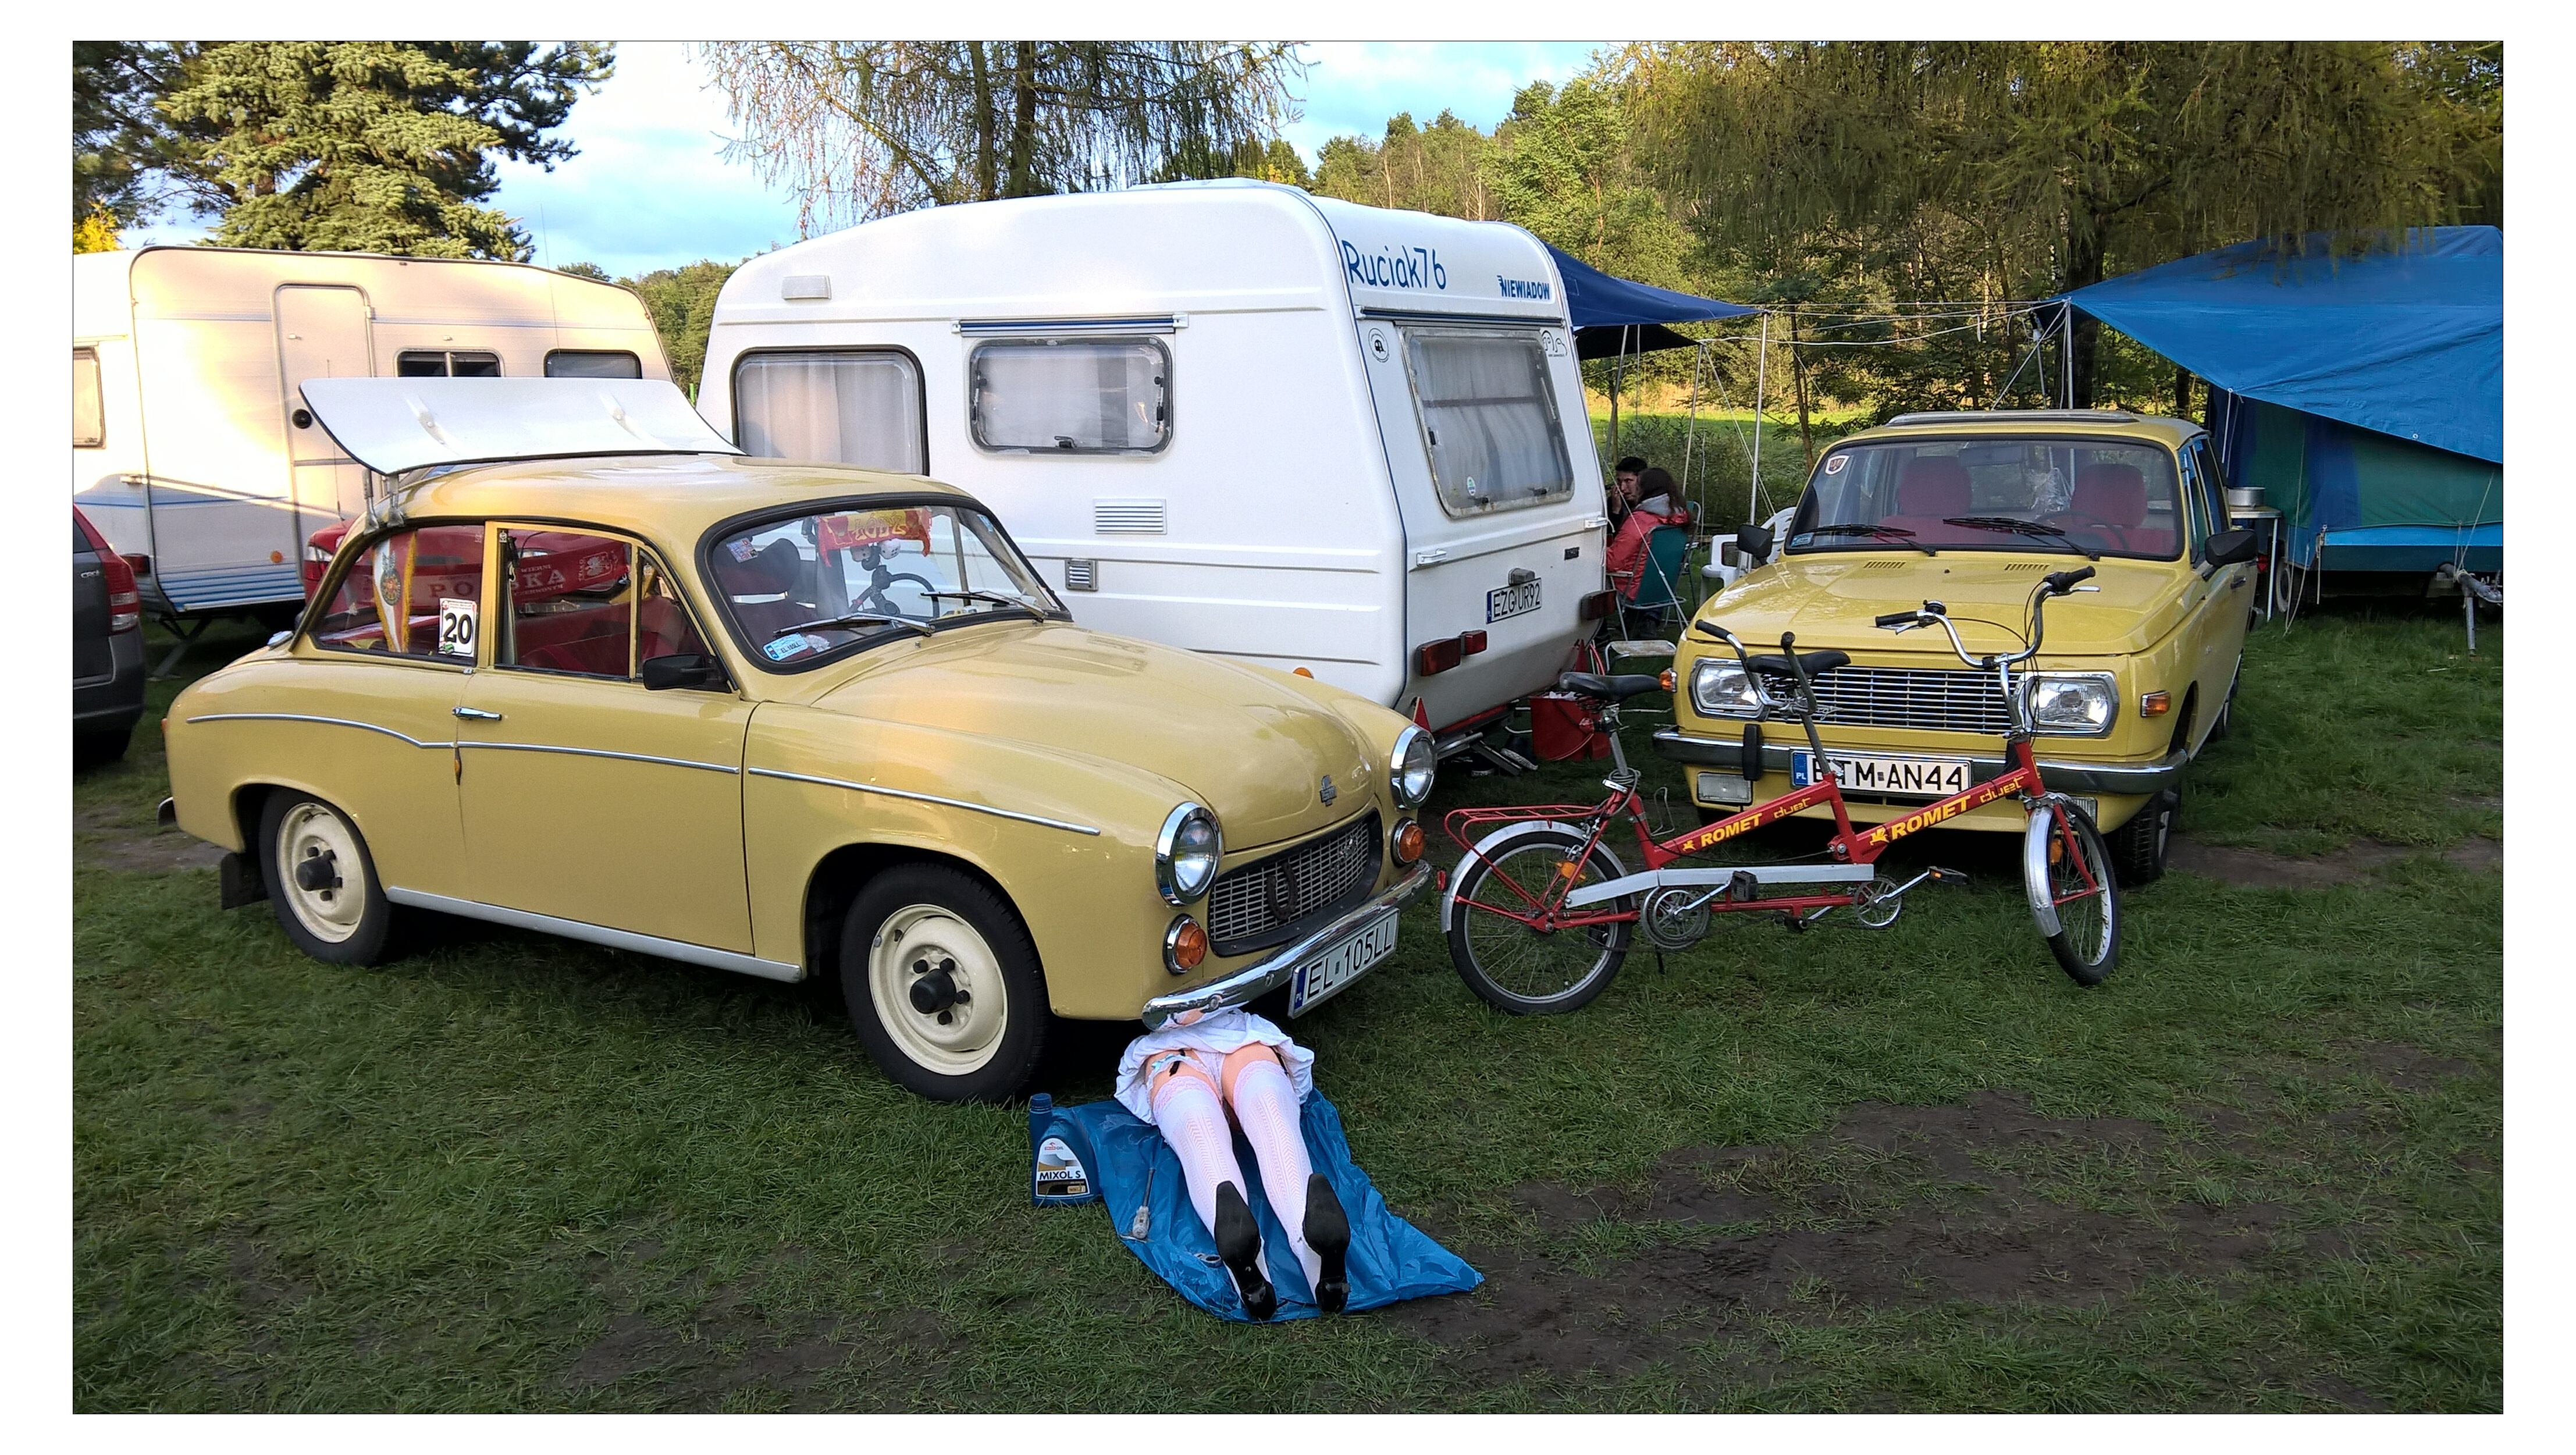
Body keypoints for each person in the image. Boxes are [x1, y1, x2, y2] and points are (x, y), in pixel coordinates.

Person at [1115, 1006, 1351, 1319]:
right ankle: (1319, 1262)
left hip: (1170, 1054)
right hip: (1242, 1040)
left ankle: (1251, 1278)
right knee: (1274, 1122)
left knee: (1201, 1139)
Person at [1606, 466, 1689, 627]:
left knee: (1585, 578)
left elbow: (1612, 563)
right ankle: (1640, 623)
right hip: (1661, 587)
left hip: (1631, 588)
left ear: (1645, 489)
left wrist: (1591, 555)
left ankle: (1601, 635)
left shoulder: (1641, 520)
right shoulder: (1680, 517)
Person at [1607, 456, 1648, 529]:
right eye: (1619, 481)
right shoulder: (1614, 502)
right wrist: (1616, 510)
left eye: (1628, 481)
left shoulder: (1652, 502)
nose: (1622, 488)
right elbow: (1610, 532)